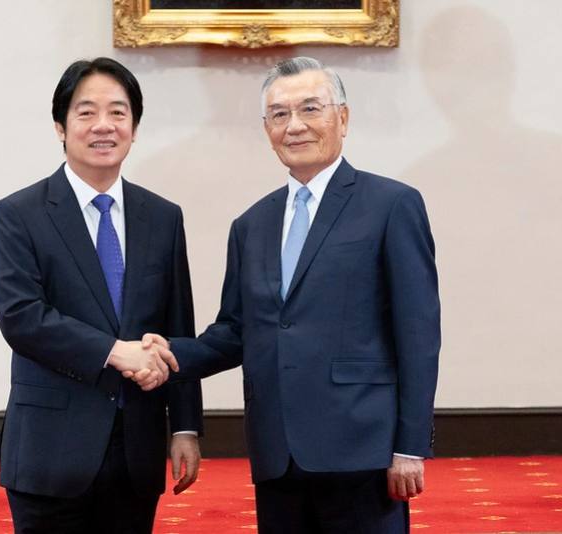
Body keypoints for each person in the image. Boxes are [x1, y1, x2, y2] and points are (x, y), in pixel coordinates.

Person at [136, 56, 440, 533]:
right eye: (279, 114)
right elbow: (236, 331)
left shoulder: (392, 205)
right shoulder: (251, 225)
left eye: (310, 109)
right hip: (277, 452)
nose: (294, 126)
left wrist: (410, 445)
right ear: (266, 128)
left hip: (363, 450)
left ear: (342, 117)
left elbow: (418, 333)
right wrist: (171, 353)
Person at [0, 57, 202, 534]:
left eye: (118, 113)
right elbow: (21, 317)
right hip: (50, 451)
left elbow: (178, 325)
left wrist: (186, 426)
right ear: (60, 127)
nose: (103, 126)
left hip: (136, 451)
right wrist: (115, 352)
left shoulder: (163, 217)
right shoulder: (18, 214)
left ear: (135, 127)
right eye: (86, 113)